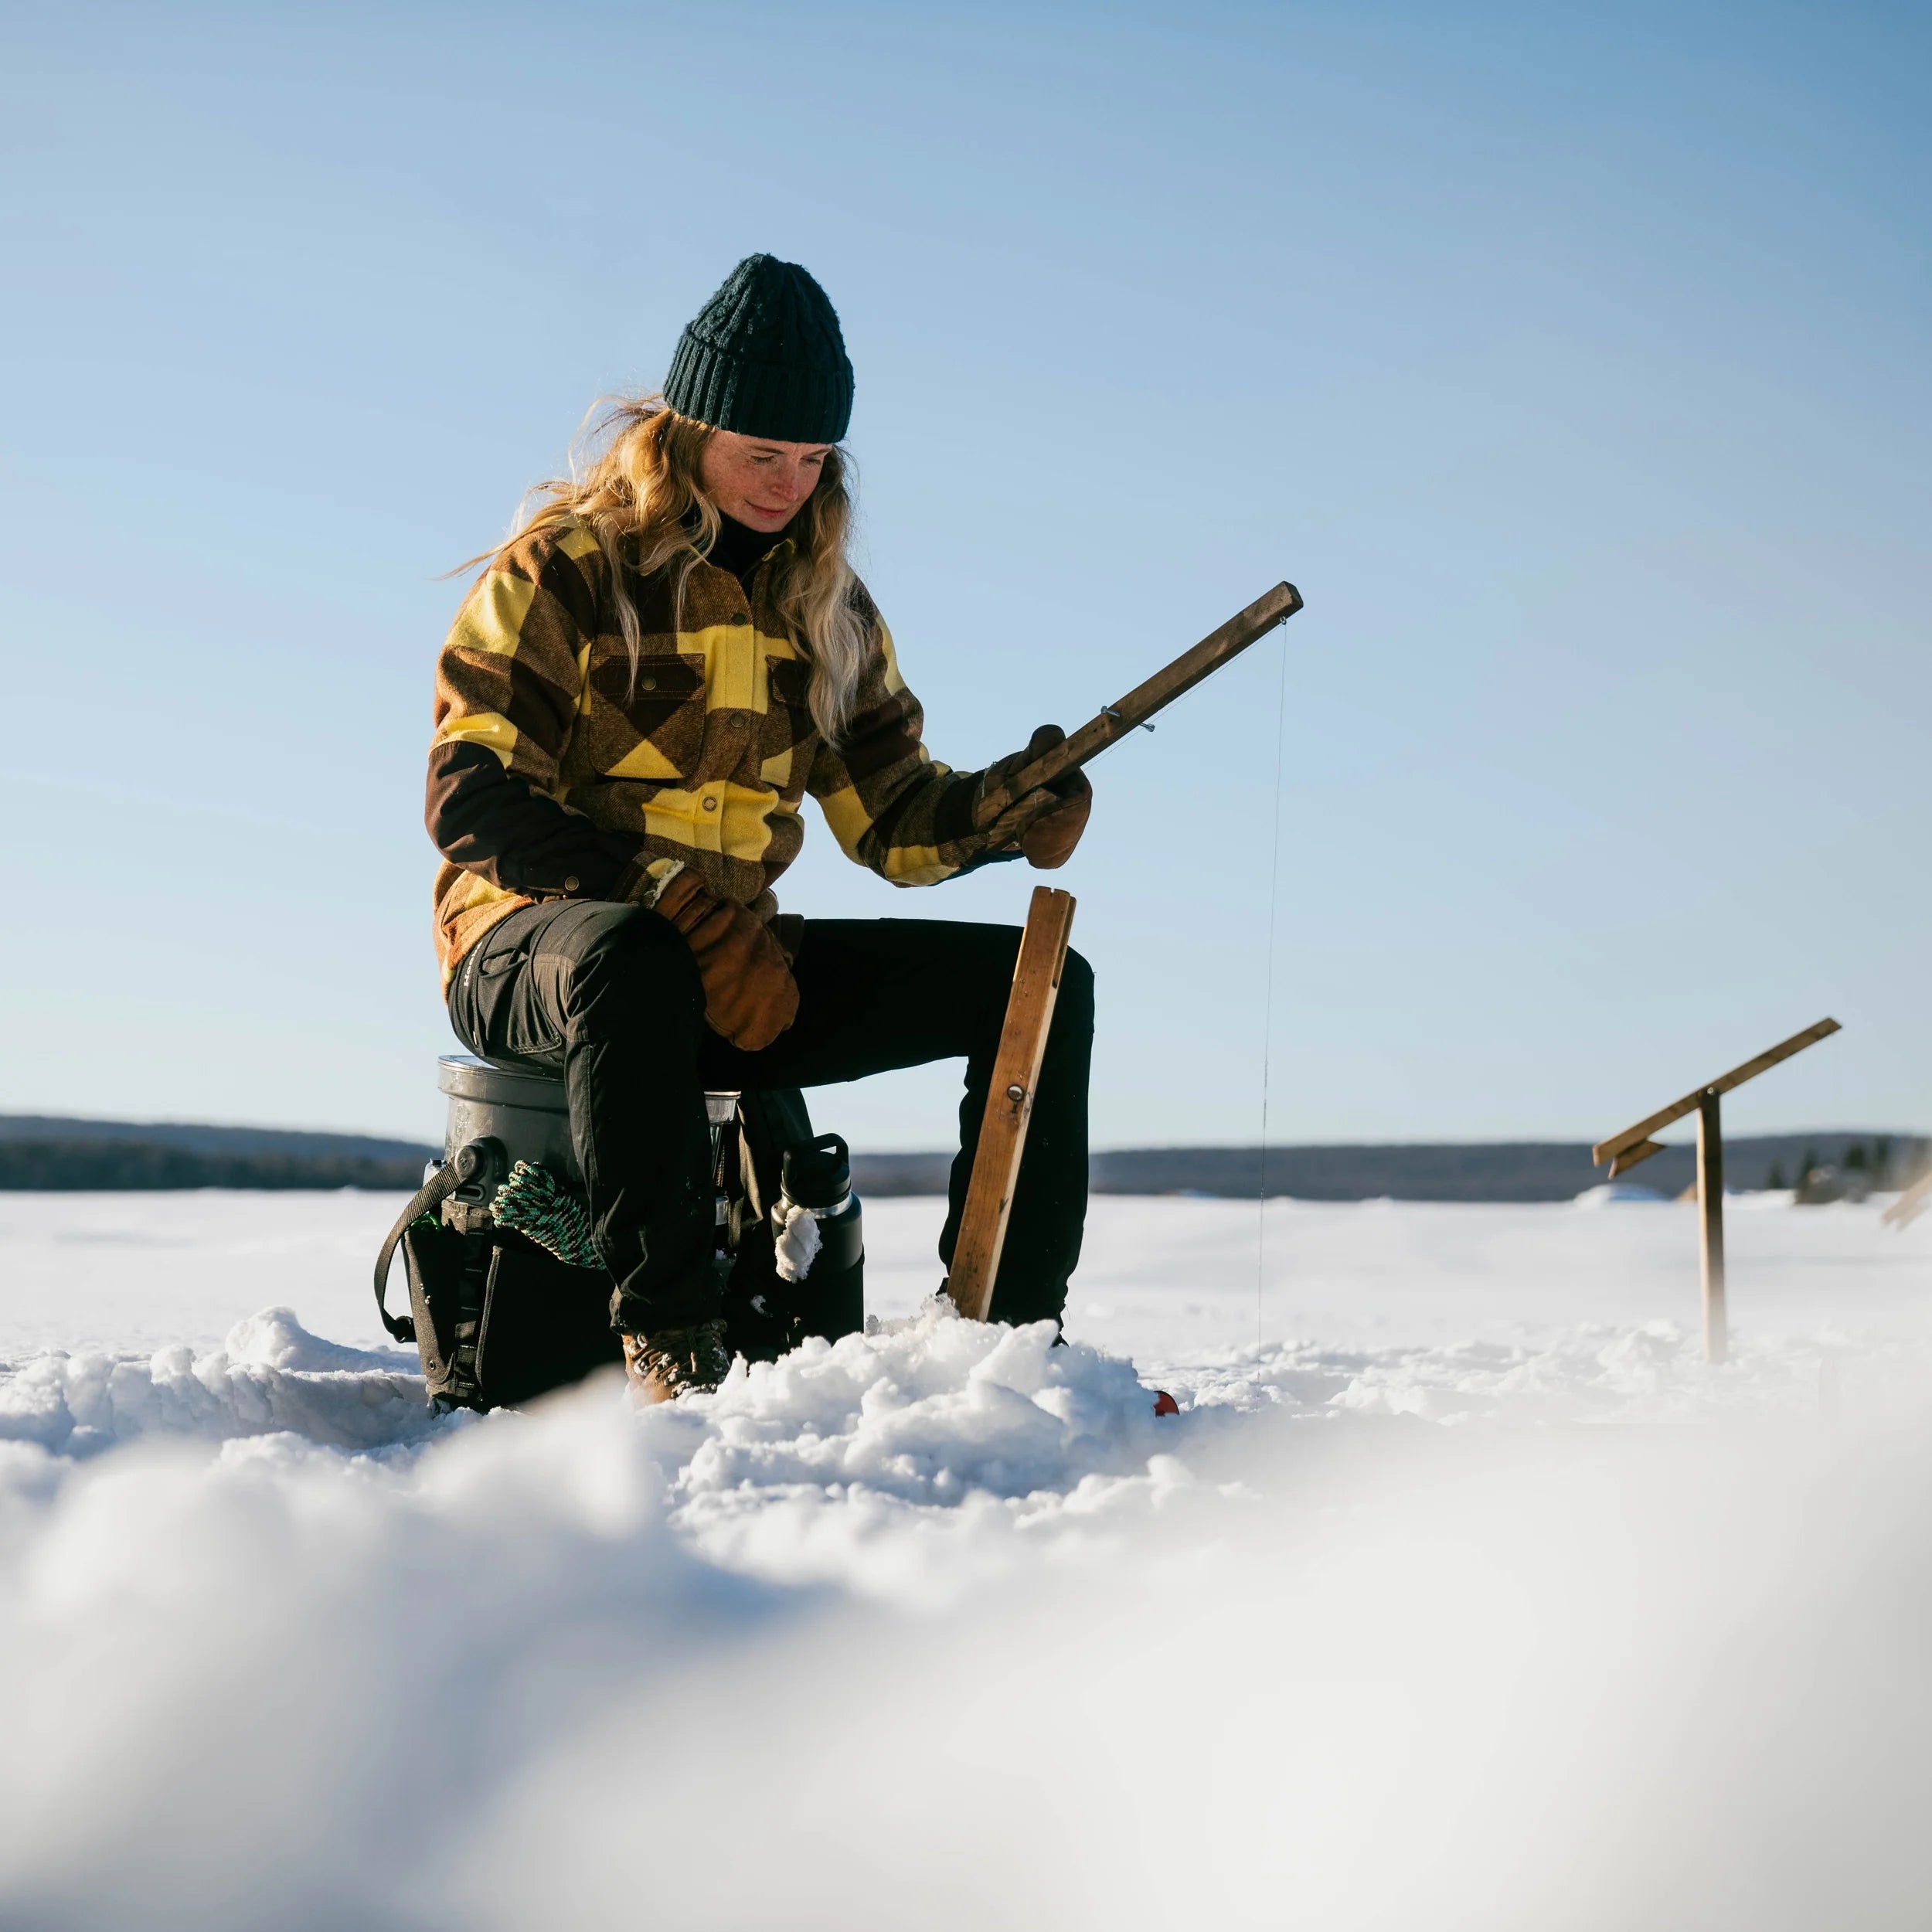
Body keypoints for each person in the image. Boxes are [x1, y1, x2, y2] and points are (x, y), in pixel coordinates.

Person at [427, 254, 1094, 1401]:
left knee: (1041, 984)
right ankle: (671, 1343)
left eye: (814, 458)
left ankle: (1005, 1341)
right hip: (529, 953)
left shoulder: (829, 608)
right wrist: (662, 896)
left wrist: (1003, 808)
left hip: (734, 970)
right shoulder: (565, 569)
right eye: (762, 454)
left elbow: (894, 821)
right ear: (688, 432)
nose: (791, 483)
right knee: (634, 958)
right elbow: (468, 797)